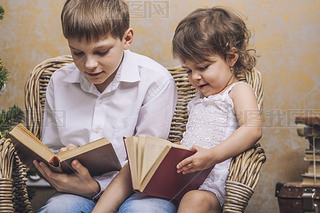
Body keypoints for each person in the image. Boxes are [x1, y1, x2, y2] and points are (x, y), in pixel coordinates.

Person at [33, 0, 178, 212]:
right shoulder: (59, 81)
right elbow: (51, 148)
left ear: (127, 38)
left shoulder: (155, 81)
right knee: (59, 209)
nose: (89, 64)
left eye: (101, 52)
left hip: (140, 193)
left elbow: (146, 163)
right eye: (78, 53)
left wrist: (95, 187)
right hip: (76, 191)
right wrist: (63, 163)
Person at [172, 7, 262, 213]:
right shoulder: (198, 99)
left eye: (202, 67)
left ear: (231, 58)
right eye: (188, 70)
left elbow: (252, 129)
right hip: (183, 179)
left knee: (193, 201)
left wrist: (212, 156)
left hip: (210, 185)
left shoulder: (238, 90)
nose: (194, 77)